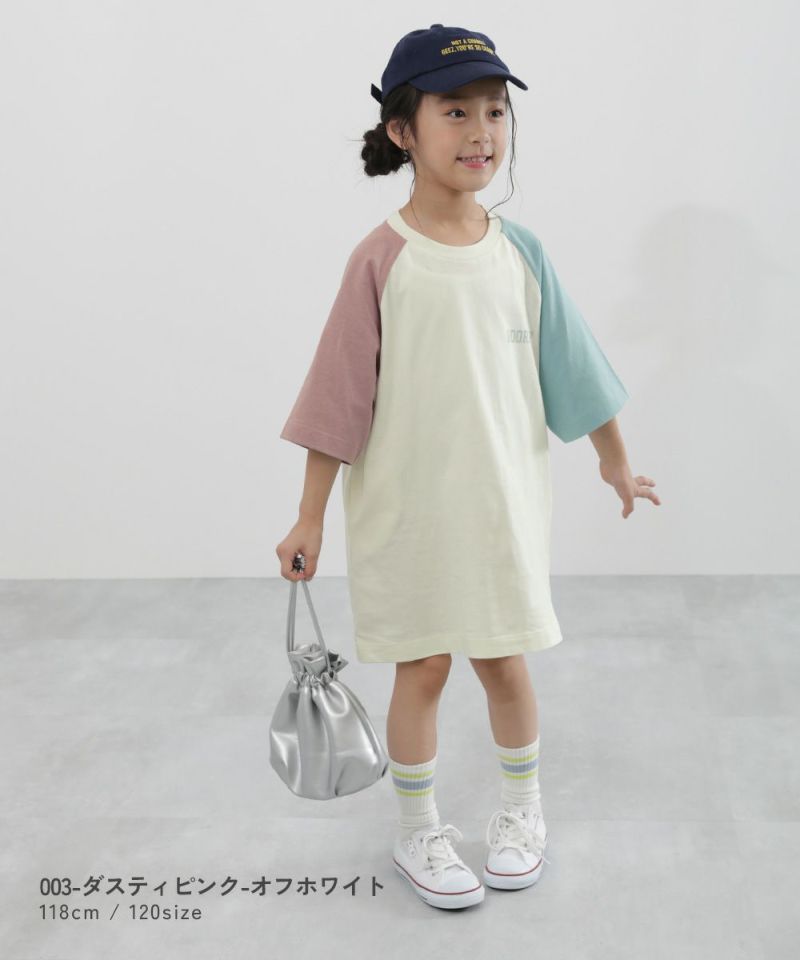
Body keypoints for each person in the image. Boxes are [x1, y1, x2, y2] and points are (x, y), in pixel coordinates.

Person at [275, 24, 661, 911]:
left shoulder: (520, 253)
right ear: (403, 131)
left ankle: (523, 812)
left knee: (504, 663)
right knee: (422, 670)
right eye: (456, 112)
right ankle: (418, 829)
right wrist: (309, 517)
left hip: (501, 510)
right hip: (406, 514)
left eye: (495, 112)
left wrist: (616, 463)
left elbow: (573, 368)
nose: (482, 131)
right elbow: (337, 401)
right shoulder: (381, 260)